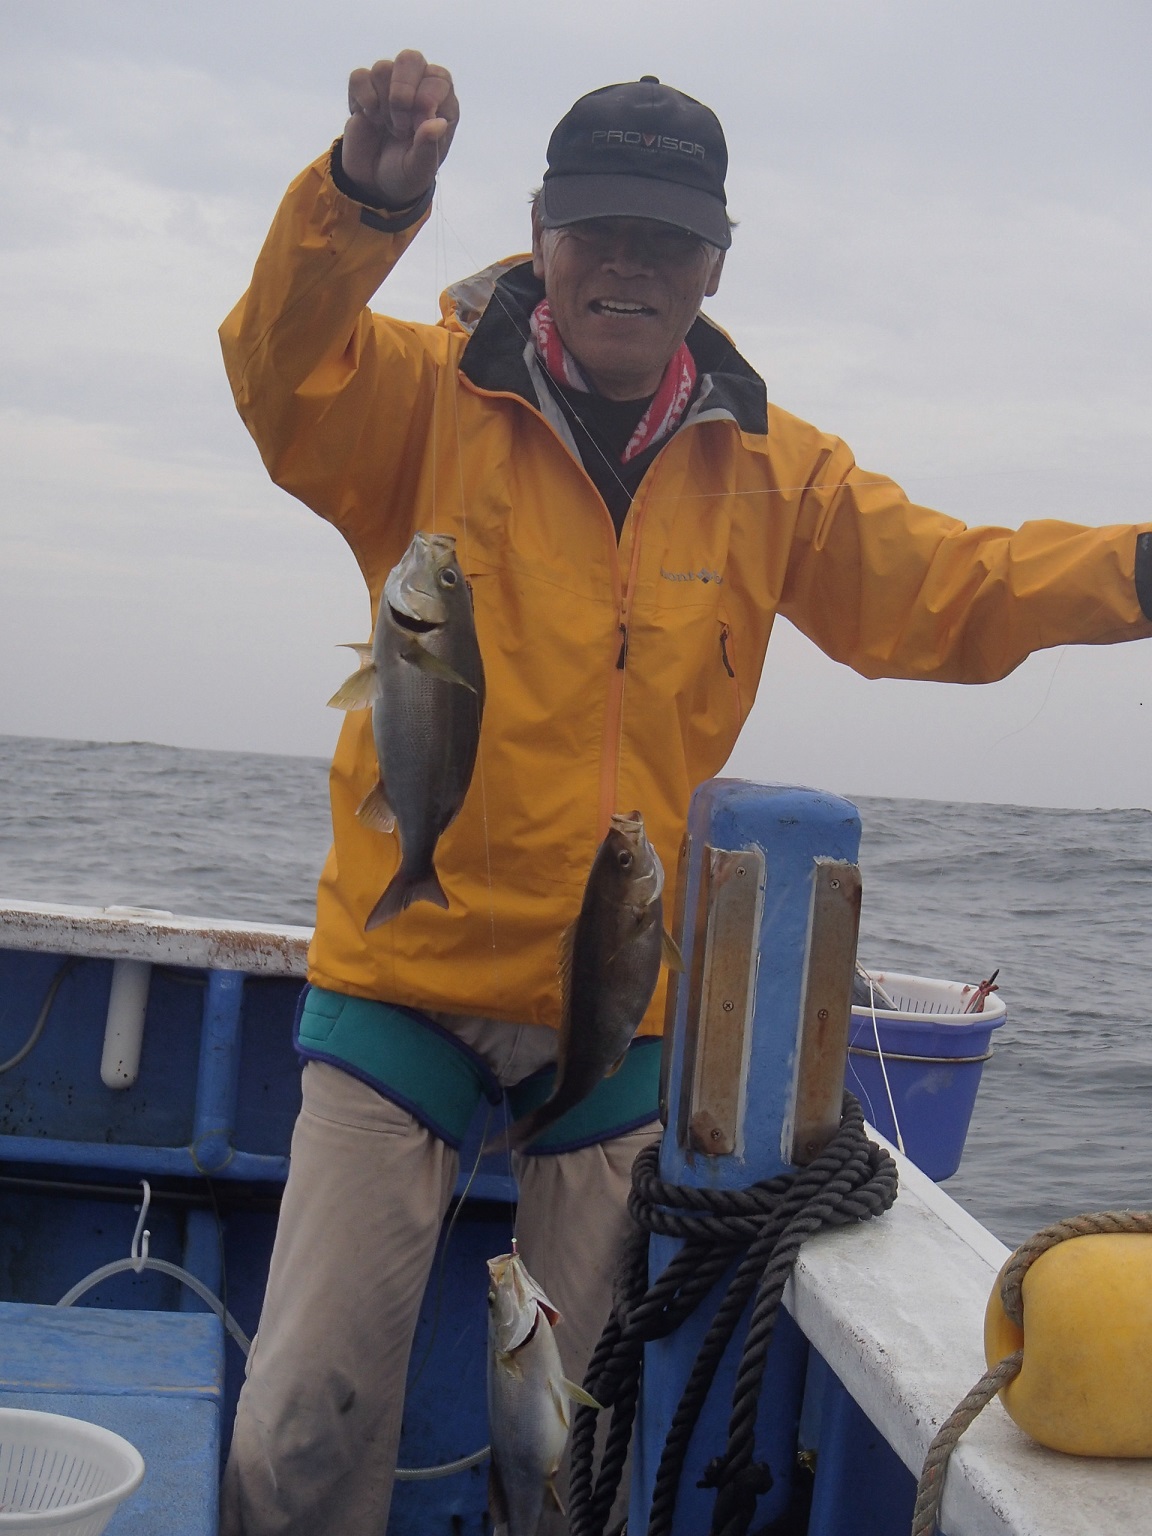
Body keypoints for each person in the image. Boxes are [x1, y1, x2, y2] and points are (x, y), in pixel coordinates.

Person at [218, 51, 1152, 1535]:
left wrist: (1135, 573)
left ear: (716, 263)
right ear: (540, 234)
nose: (628, 267)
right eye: (598, 230)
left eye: (666, 240)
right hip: (403, 975)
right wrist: (361, 203)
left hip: (621, 999)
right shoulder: (418, 396)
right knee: (298, 1427)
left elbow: (953, 587)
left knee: (575, 1450)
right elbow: (280, 376)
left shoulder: (777, 470)